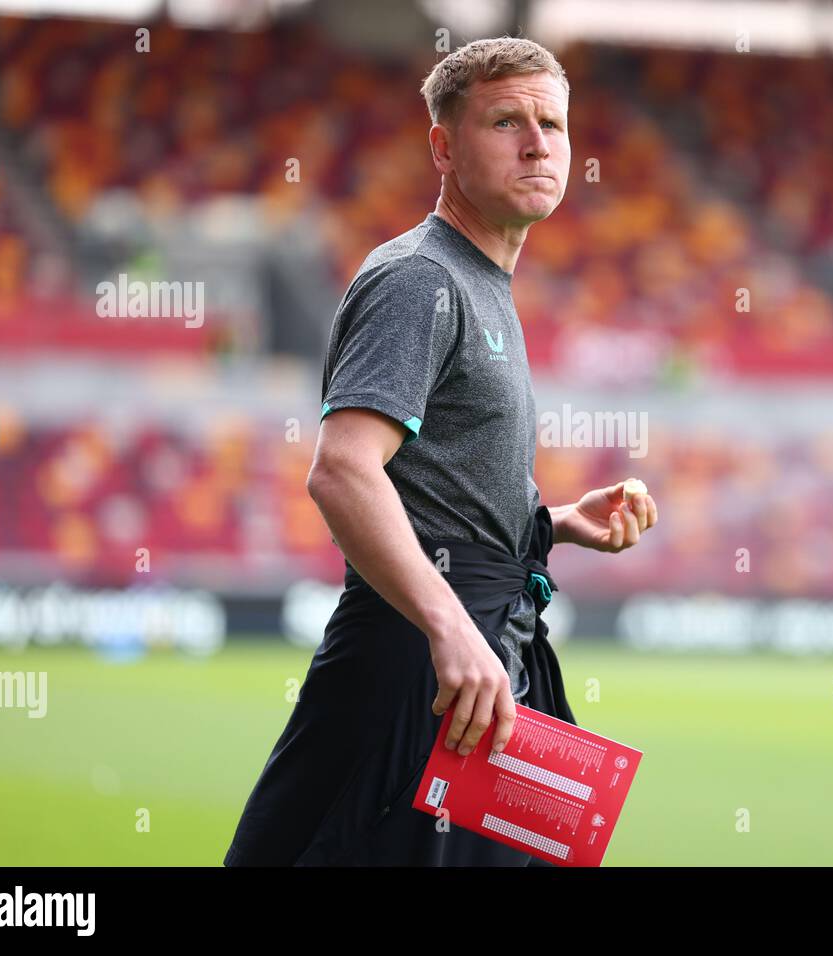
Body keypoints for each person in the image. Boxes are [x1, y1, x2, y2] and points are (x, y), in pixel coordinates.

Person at [224, 35, 658, 866]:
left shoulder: (484, 281)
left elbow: (438, 494)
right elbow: (344, 468)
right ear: (444, 147)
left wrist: (556, 524)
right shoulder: (419, 278)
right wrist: (449, 627)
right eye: (507, 122)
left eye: (553, 124)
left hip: (485, 651)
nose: (538, 143)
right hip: (423, 664)